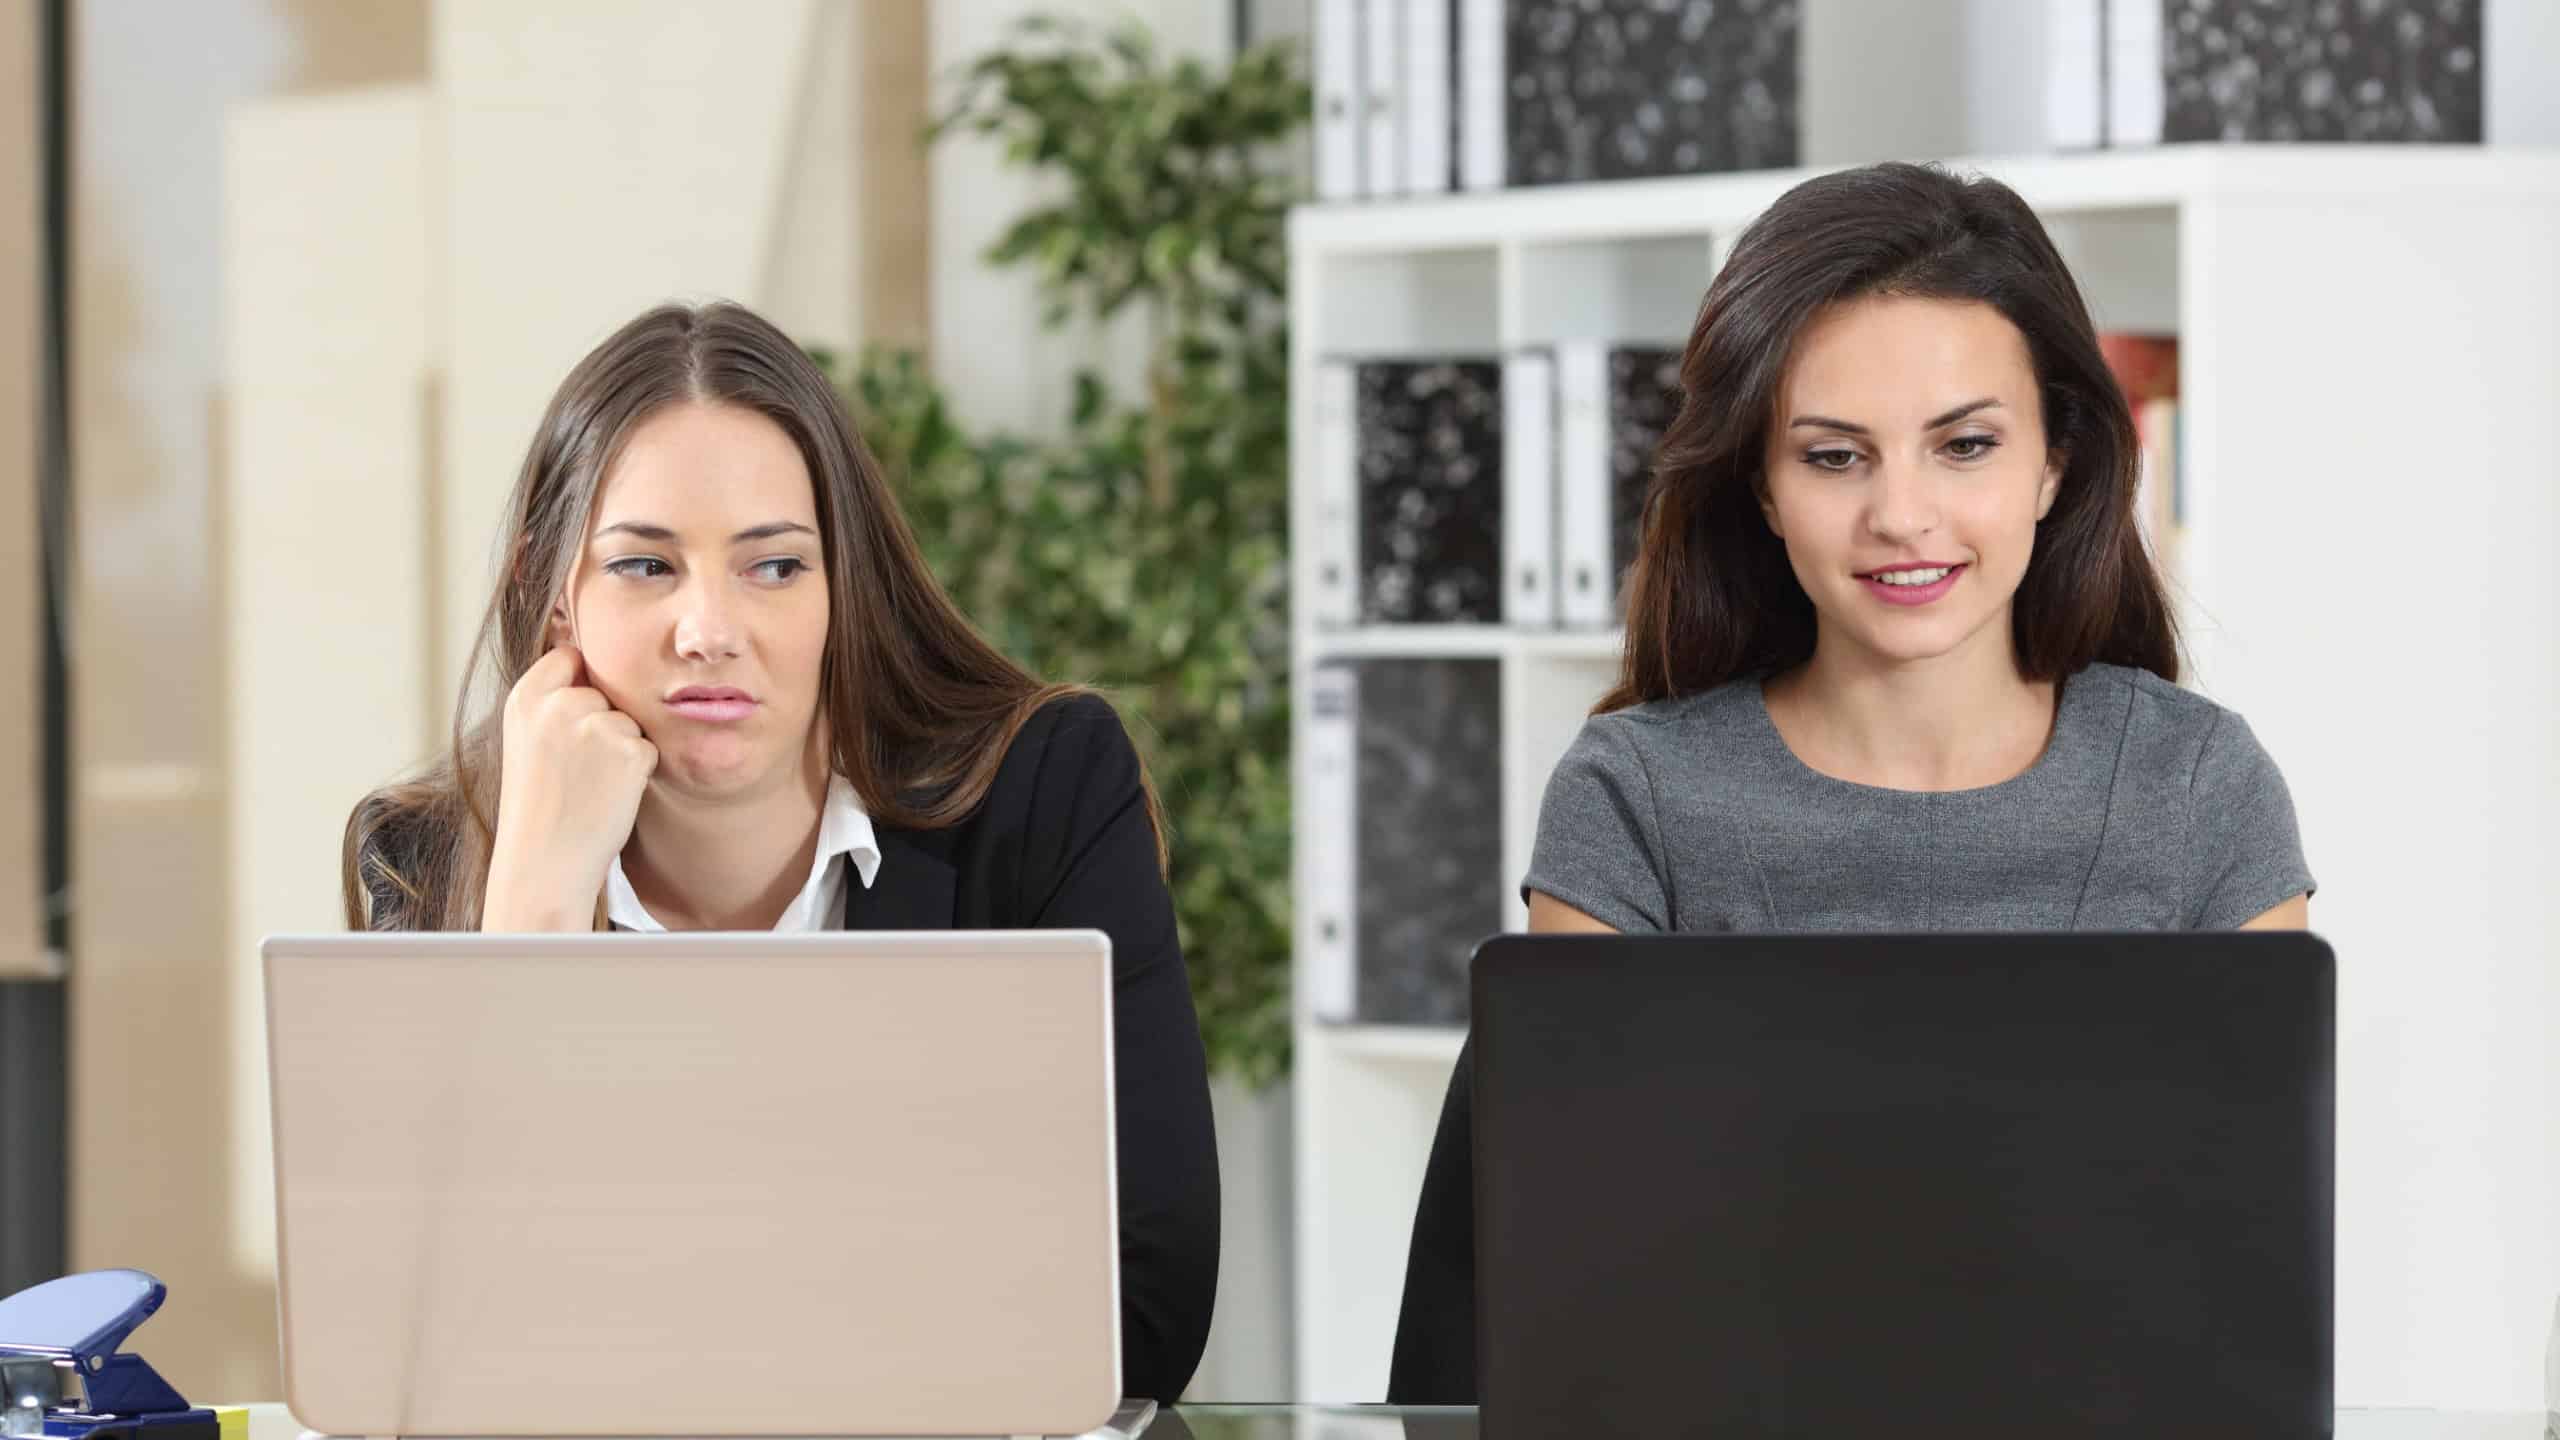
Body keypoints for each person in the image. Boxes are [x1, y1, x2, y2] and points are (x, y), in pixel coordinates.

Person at [1386, 160, 2314, 1402]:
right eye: (1834, 458)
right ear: (1762, 485)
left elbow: (2244, 1292)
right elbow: (1582, 1293)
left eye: (1965, 446)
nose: (1902, 515)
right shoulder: (1635, 797)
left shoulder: (2198, 788)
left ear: (2056, 463)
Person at [342, 300, 1219, 1402]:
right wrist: (534, 906)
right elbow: (416, 1361)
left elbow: (1143, 1320)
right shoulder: (427, 852)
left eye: (773, 568)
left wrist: (635, 1324)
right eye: (645, 567)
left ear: (842, 586)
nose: (710, 628)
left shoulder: (1040, 794)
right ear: (546, 592)